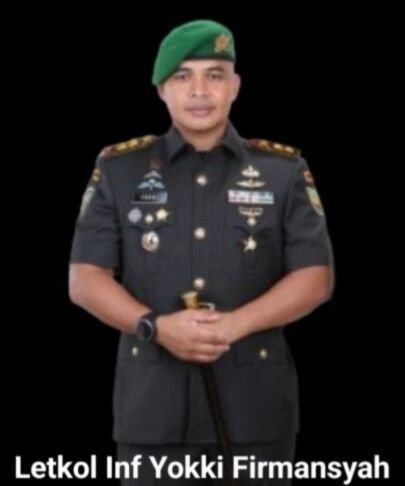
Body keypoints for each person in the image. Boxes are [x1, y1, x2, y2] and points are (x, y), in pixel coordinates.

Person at [69, 19, 334, 486]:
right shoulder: (119, 169)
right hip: (152, 410)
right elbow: (85, 278)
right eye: (182, 77)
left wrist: (237, 324)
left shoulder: (284, 170)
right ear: (161, 89)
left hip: (256, 409)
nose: (198, 91)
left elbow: (315, 276)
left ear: (235, 86)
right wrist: (154, 327)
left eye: (214, 75)